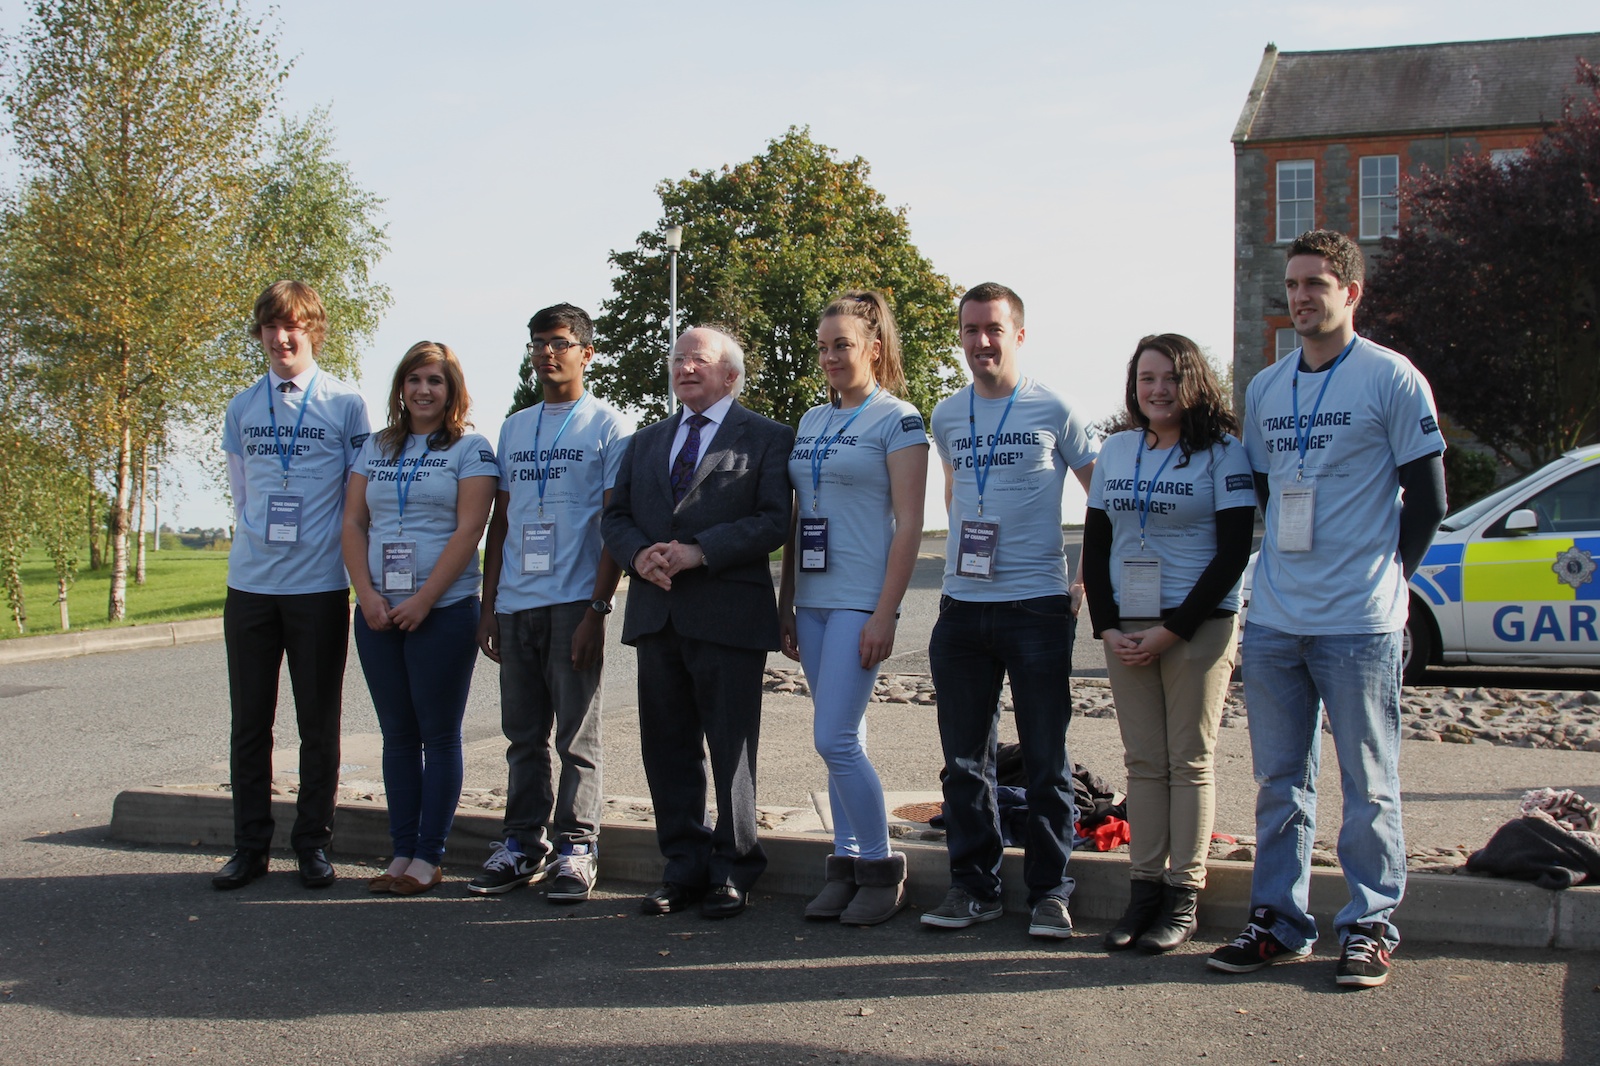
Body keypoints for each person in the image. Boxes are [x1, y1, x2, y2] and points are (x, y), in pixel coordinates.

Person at [1208, 229, 1446, 988]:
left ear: (1352, 292)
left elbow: (1429, 500)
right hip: (1278, 619)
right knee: (1280, 783)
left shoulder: (1391, 377)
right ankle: (1279, 921)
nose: (1301, 297)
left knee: (1368, 785)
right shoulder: (1266, 387)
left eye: (1316, 283)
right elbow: (1267, 491)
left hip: (1359, 622)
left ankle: (1370, 925)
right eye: (1293, 285)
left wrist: (1388, 578)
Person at [922, 282, 1098, 938]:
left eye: (993, 329)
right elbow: (955, 490)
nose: (981, 342)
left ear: (1018, 335)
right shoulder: (947, 415)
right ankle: (974, 888)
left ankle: (1051, 892)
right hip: (963, 609)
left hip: (1038, 610)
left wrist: (1085, 578)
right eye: (970, 330)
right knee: (965, 763)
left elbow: (1103, 494)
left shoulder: (1055, 408)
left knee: (1047, 760)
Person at [602, 326, 794, 920]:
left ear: (730, 375)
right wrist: (638, 555)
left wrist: (700, 551)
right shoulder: (644, 442)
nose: (684, 368)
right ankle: (682, 866)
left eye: (698, 360)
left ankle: (734, 867)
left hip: (727, 617)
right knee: (667, 747)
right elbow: (615, 517)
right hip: (657, 614)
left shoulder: (767, 437)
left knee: (732, 747)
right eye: (678, 359)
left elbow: (773, 520)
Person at [1081, 334, 1255, 952]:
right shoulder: (1117, 449)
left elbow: (1234, 552)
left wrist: (1171, 631)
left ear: (1194, 382)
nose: (1158, 390)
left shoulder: (1224, 453)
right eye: (1146, 378)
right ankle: (1144, 890)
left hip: (1198, 627)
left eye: (1171, 378)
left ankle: (1184, 896)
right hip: (1127, 628)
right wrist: (1107, 626)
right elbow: (1097, 543)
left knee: (1189, 760)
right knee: (1144, 763)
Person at [777, 292, 929, 926]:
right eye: (822, 347)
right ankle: (845, 864)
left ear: (874, 346)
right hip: (811, 599)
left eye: (842, 344)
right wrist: (786, 602)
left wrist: (886, 613)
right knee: (844, 735)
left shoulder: (898, 419)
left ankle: (882, 868)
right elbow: (797, 518)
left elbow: (911, 523)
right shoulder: (812, 420)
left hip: (861, 600)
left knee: (834, 737)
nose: (830, 357)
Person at [214, 280, 371, 891]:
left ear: (314, 331)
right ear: (260, 333)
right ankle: (249, 846)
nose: (282, 338)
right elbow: (243, 495)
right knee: (250, 723)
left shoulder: (345, 404)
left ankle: (313, 843)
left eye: (294, 326)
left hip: (318, 587)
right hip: (251, 585)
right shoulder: (242, 407)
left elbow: (357, 499)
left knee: (318, 724)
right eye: (272, 327)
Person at [472, 304, 627, 903]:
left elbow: (614, 526)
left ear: (586, 353)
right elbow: (502, 522)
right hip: (517, 605)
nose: (546, 353)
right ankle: (521, 843)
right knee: (523, 736)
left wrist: (597, 610)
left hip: (573, 603)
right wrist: (489, 605)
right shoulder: (514, 428)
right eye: (538, 343)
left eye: (559, 342)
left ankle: (578, 847)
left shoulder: (608, 426)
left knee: (577, 737)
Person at [340, 341, 496, 896]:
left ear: (452, 390)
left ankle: (429, 857)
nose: (423, 390)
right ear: (400, 388)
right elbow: (353, 523)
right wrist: (366, 594)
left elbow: (469, 530)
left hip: (443, 610)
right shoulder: (377, 447)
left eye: (435, 380)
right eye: (414, 379)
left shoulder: (471, 449)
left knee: (439, 735)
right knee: (398, 737)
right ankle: (401, 851)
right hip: (378, 611)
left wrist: (425, 599)